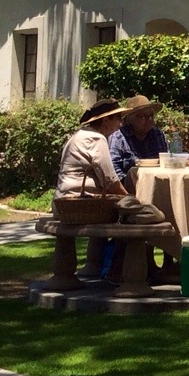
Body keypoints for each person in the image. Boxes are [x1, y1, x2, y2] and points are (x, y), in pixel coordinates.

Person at [53, 99, 130, 278]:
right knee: (135, 215)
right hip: (78, 203)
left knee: (115, 210)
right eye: (118, 118)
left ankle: (95, 265)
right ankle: (121, 271)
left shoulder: (80, 135)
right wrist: (131, 198)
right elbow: (110, 180)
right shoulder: (95, 138)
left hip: (64, 200)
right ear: (105, 121)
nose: (120, 123)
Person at [109, 95, 167, 187]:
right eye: (142, 116)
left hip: (157, 185)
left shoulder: (157, 135)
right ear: (130, 119)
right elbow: (114, 169)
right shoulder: (118, 137)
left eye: (151, 116)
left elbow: (165, 162)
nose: (149, 120)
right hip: (129, 188)